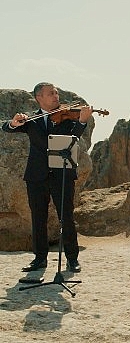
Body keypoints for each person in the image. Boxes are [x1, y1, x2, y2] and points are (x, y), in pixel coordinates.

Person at [2, 82, 92, 273]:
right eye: (51, 93)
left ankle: (72, 259)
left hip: (62, 174)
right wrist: (13, 122)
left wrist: (82, 121)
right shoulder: (32, 120)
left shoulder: (67, 117)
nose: (56, 96)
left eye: (57, 93)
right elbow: (7, 128)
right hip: (36, 176)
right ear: (39, 97)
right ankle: (39, 259)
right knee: (38, 218)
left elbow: (73, 139)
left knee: (66, 217)